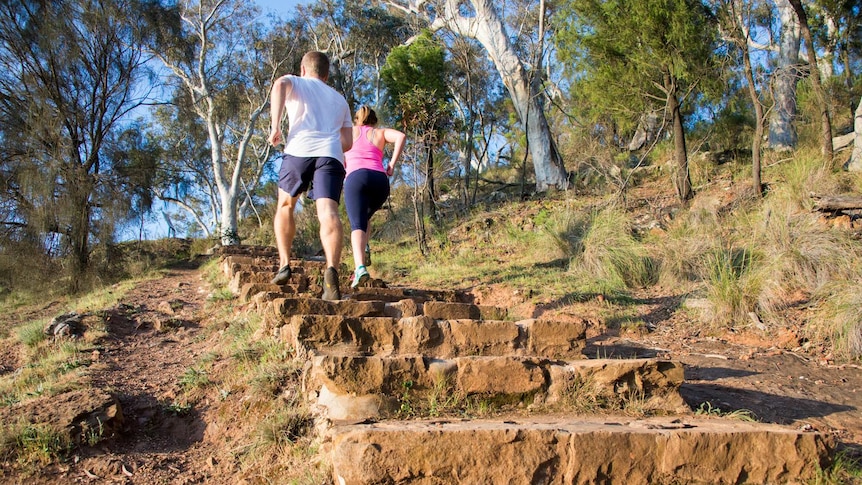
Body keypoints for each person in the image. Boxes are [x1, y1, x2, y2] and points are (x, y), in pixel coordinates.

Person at [268, 51, 353, 301]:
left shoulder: (296, 82)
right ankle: (332, 273)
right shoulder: (340, 100)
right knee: (329, 213)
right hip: (331, 156)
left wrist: (275, 125)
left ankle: (284, 264)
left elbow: (279, 85)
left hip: (298, 151)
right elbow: (347, 142)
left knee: (286, 205)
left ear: (303, 69)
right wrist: (328, 142)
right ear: (326, 74)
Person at [342, 106, 406, 288]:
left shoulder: (348, 132)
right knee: (365, 216)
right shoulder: (380, 133)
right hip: (380, 180)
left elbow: (338, 152)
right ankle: (365, 246)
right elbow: (401, 136)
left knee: (357, 224)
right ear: (374, 121)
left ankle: (360, 267)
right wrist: (391, 164)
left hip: (356, 178)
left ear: (356, 120)